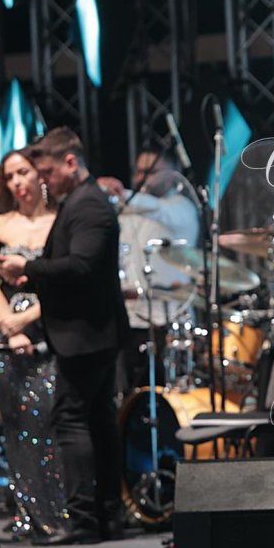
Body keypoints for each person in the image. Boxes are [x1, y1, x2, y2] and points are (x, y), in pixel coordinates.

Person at [0, 127, 130, 545]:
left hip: (86, 332)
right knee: (97, 421)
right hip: (90, 331)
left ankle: (85, 520)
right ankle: (107, 516)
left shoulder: (88, 204)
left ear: (70, 162)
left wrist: (27, 268)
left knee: (71, 419)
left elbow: (82, 267)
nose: (44, 182)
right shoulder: (82, 201)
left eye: (48, 173)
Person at [0, 148, 66, 541]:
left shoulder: (59, 221)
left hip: (49, 329)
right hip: (4, 335)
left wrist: (29, 319)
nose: (17, 182)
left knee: (49, 420)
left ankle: (60, 512)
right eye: (9, 176)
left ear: (40, 175)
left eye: (23, 173)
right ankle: (28, 513)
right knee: (16, 425)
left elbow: (69, 281)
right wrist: (10, 326)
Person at [101, 146, 201, 391]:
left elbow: (157, 209)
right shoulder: (129, 211)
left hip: (168, 320)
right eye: (139, 171)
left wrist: (120, 193)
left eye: (151, 171)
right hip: (131, 319)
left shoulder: (181, 207)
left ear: (173, 174)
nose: (142, 178)